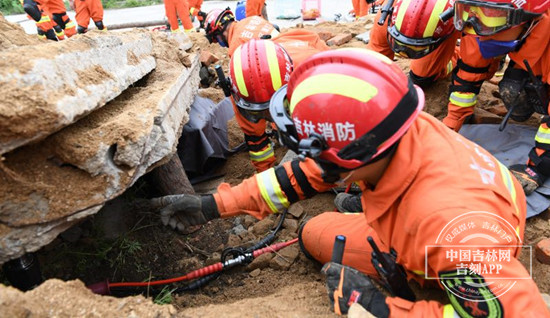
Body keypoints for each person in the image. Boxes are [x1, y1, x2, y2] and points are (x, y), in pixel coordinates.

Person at [151, 48, 549, 316]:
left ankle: (427, 284)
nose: (308, 161)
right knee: (313, 234)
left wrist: (383, 308)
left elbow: (518, 312)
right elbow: (303, 175)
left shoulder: (452, 230)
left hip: (454, 242)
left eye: (314, 152)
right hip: (423, 221)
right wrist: (214, 205)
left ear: (349, 161)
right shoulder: (389, 131)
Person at [452, 0, 550, 195]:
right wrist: (453, 122)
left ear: (531, 20)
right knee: (513, 89)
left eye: (494, 20)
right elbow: (468, 74)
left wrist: (537, 165)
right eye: (476, 16)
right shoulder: (482, 24)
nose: (481, 30)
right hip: (533, 50)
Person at [368, 0, 499, 101]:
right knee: (416, 74)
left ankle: (455, 55)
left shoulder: (475, 4)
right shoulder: (386, 13)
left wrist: (489, 65)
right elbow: (375, 63)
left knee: (423, 77)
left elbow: (483, 59)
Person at [226, 32, 330, 172]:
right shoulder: (242, 91)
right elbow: (256, 140)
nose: (270, 115)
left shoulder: (315, 73)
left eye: (275, 106)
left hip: (308, 47)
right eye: (259, 112)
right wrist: (265, 174)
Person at [203, 7, 279, 57]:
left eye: (216, 39)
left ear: (220, 27)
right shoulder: (253, 18)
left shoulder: (235, 47)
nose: (218, 42)